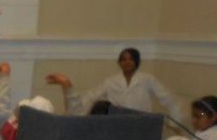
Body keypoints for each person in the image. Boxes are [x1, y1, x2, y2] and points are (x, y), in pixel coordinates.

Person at [45, 48, 182, 120]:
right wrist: (68, 88)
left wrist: (176, 120)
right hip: (117, 124)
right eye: (123, 59)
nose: (127, 62)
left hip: (140, 124)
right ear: (119, 62)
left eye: (130, 59)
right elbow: (88, 99)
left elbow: (168, 98)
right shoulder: (111, 82)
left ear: (137, 61)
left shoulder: (147, 79)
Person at [0, 62, 54, 140]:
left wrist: (4, 76)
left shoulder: (14, 135)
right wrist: (67, 85)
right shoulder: (53, 137)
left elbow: (1, 108)